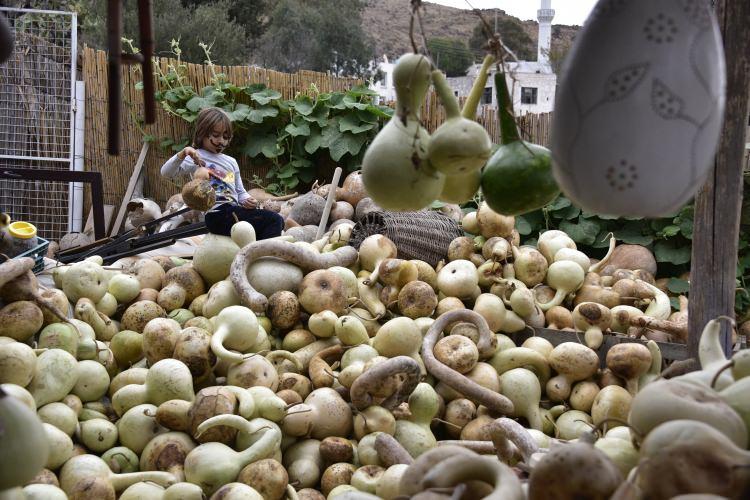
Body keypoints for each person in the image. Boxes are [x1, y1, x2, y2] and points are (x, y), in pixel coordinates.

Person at [160, 107, 284, 239]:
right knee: (274, 220)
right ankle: (266, 255)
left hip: (233, 211)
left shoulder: (231, 162)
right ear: (202, 133)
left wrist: (249, 200)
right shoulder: (196, 157)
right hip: (216, 214)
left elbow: (239, 192)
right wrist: (183, 153)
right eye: (216, 135)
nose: (221, 141)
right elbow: (166, 173)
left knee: (278, 221)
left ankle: (256, 251)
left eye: (226, 137)